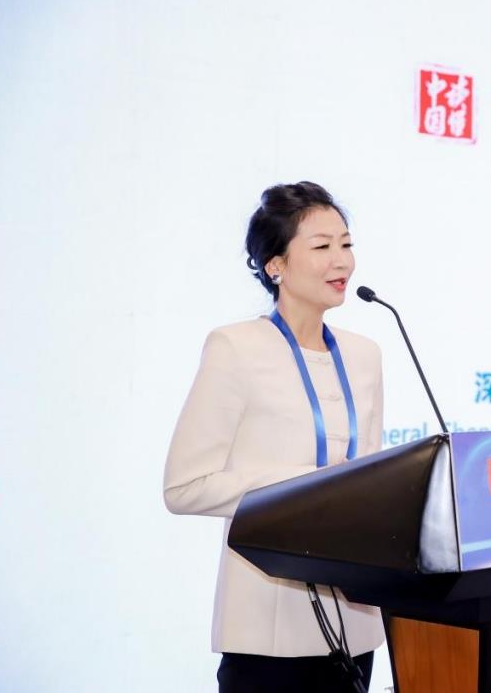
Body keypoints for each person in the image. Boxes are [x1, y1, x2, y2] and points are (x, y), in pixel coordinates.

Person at [163, 181, 384, 692]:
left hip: (355, 622)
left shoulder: (365, 355)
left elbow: (368, 477)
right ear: (276, 265)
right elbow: (183, 487)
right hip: (267, 628)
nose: (342, 261)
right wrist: (308, 486)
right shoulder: (235, 348)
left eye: (346, 244)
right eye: (322, 246)